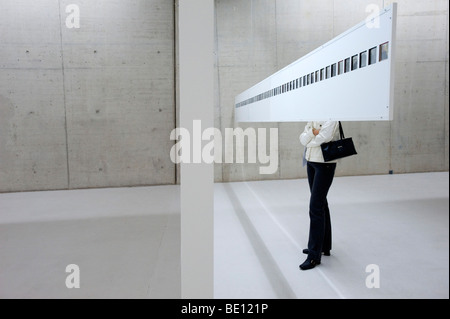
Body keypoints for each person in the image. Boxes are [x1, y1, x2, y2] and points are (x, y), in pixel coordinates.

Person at [299, 121, 339, 270]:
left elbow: (325, 137)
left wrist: (311, 136)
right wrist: (312, 133)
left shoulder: (332, 117)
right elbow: (302, 139)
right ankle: (324, 246)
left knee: (315, 206)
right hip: (311, 162)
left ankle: (314, 256)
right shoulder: (313, 116)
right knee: (321, 204)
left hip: (325, 164)